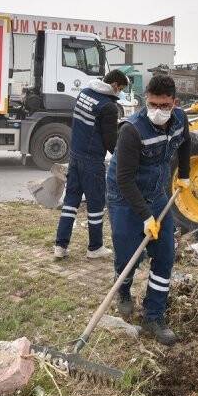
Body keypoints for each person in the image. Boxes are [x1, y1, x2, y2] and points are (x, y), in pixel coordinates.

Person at [106, 74, 191, 345]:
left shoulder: (180, 120)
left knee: (165, 254)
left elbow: (186, 143)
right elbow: (124, 179)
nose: (158, 111)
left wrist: (185, 174)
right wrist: (145, 217)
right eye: (153, 104)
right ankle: (124, 290)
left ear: (174, 103)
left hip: (157, 191)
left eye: (164, 106)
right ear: (146, 100)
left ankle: (154, 316)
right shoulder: (132, 130)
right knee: (128, 252)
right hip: (124, 194)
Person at [54, 69, 129, 260]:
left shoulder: (85, 93)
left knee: (71, 202)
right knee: (96, 204)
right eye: (120, 89)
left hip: (75, 155)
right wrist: (123, 157)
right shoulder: (108, 107)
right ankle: (95, 247)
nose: (119, 92)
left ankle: (60, 246)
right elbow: (110, 141)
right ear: (114, 85)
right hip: (92, 161)